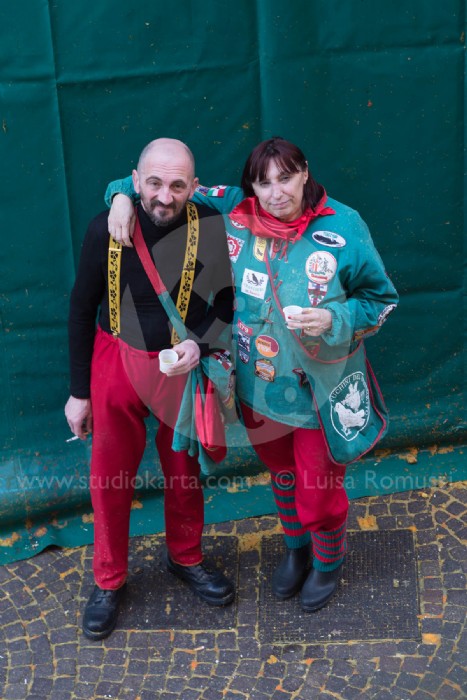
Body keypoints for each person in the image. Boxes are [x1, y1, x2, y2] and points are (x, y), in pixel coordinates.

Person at [104, 136, 399, 613]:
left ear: (305, 172)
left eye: (286, 178)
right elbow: (168, 187)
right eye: (264, 183)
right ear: (252, 187)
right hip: (260, 389)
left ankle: (328, 562)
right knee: (282, 474)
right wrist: (120, 194)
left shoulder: (344, 226)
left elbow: (381, 301)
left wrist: (335, 318)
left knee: (318, 493)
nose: (276, 192)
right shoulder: (233, 209)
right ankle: (296, 549)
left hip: (323, 392)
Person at [65, 138, 235, 641]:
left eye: (178, 185)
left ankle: (186, 557)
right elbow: (81, 309)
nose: (164, 195)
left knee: (183, 469)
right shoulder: (105, 226)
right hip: (114, 361)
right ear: (135, 181)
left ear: (194, 187)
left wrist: (201, 345)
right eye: (154, 183)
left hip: (179, 367)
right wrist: (78, 391)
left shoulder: (211, 225)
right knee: (108, 476)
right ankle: (108, 579)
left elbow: (227, 304)